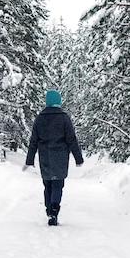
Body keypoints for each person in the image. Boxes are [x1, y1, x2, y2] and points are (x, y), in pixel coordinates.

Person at [23, 89, 84, 226]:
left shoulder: (39, 118)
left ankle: (49, 210)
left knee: (47, 185)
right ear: (58, 101)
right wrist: (78, 158)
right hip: (61, 157)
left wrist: (30, 160)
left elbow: (34, 141)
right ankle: (54, 209)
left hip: (45, 157)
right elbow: (72, 140)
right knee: (58, 185)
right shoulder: (64, 118)